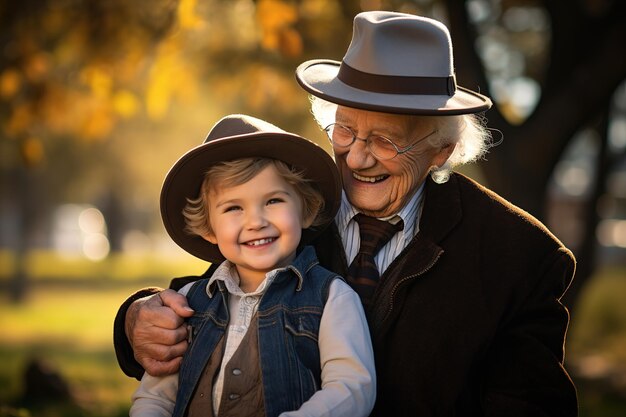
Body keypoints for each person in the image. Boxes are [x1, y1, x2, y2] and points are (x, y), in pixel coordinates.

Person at [114, 11, 578, 416]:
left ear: (442, 150)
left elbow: (532, 404)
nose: (357, 159)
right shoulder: (292, 204)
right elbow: (218, 298)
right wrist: (136, 318)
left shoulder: (517, 255)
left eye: (386, 141)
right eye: (345, 130)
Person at [128, 114, 376, 417]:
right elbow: (155, 397)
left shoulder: (331, 297)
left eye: (273, 201)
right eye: (234, 208)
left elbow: (351, 388)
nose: (256, 222)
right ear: (209, 230)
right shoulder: (188, 301)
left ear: (306, 211)